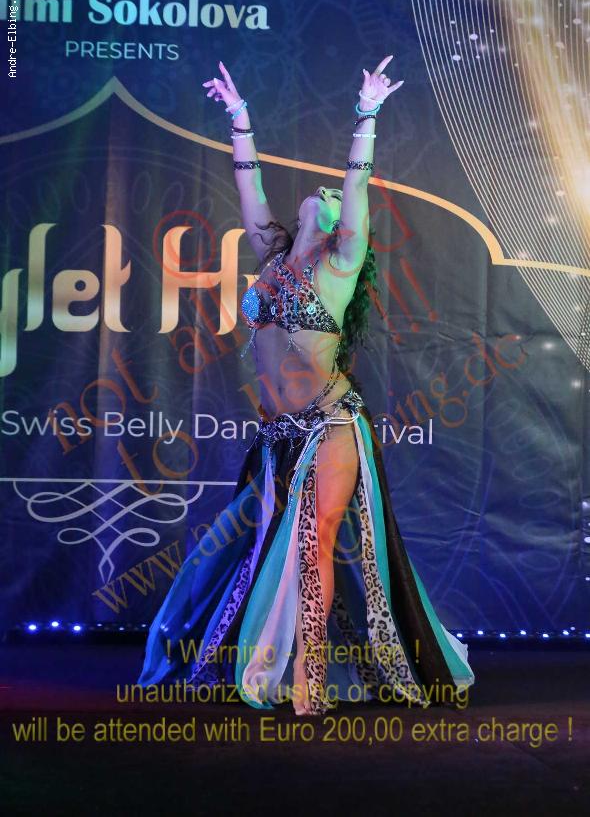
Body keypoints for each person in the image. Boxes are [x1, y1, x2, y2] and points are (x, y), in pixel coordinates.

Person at [137, 55, 475, 715]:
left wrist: (366, 115)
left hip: (330, 425)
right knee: (255, 551)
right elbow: (248, 184)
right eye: (318, 193)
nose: (324, 192)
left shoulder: (340, 266)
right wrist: (240, 118)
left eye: (334, 199)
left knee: (316, 542)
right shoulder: (272, 258)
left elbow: (356, 184)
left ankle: (310, 677)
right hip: (278, 437)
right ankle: (266, 655)